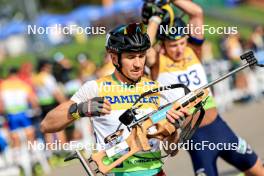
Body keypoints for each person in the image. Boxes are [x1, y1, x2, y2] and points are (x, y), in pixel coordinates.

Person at [40, 23, 188, 176]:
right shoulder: (95, 88)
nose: (138, 64)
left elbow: (172, 150)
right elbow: (46, 125)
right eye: (130, 57)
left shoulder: (156, 88)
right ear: (114, 58)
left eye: (141, 56)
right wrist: (80, 110)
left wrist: (173, 132)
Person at [143, 1, 264, 175]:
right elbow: (145, 49)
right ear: (162, 45)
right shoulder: (157, 62)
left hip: (220, 128)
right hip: (195, 139)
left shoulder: (193, 51)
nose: (179, 49)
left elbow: (197, 13)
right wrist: (154, 20)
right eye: (173, 45)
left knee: (259, 171)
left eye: (181, 43)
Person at [0, 68, 39, 147]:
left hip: (10, 113)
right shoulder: (23, 84)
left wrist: (2, 113)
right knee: (29, 132)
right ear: (17, 74)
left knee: (14, 134)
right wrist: (36, 109)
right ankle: (32, 151)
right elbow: (31, 98)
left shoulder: (3, 85)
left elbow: (1, 101)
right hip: (23, 112)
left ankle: (18, 153)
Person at [33, 59, 67, 144]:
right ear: (45, 67)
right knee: (59, 127)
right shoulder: (47, 77)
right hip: (51, 104)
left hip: (43, 105)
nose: (51, 67)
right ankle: (63, 149)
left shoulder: (37, 77)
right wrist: (65, 104)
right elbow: (55, 92)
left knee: (47, 129)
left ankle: (51, 151)